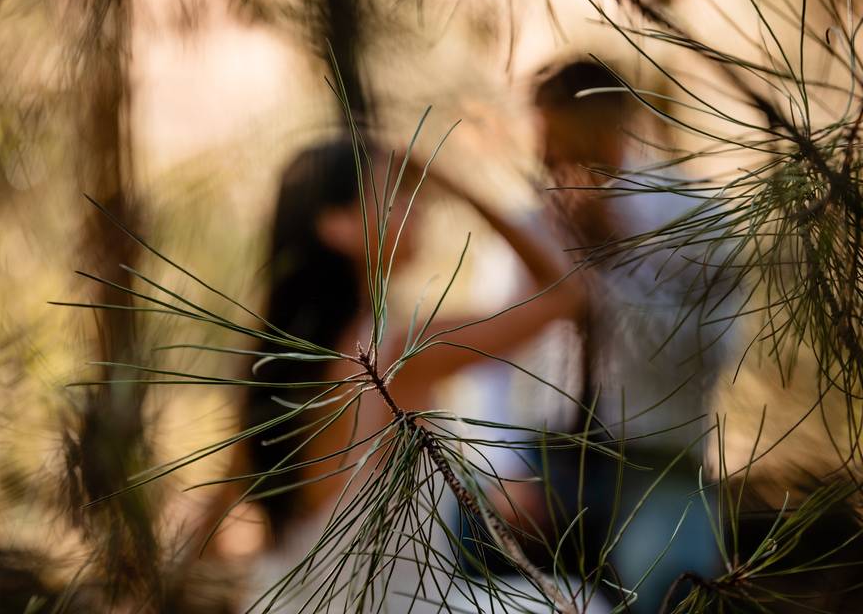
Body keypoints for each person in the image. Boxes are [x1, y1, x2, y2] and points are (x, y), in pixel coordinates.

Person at [187, 137, 587, 610]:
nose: (417, 203)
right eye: (394, 191)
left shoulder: (280, 365)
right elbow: (565, 293)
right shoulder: (394, 353)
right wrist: (454, 180)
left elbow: (210, 526)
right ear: (337, 226)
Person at [524, 59, 736, 612]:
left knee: (668, 581)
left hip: (658, 461)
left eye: (560, 136)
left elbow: (707, 357)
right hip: (546, 456)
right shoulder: (531, 224)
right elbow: (501, 356)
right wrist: (506, 468)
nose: (547, 158)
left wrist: (616, 263)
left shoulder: (695, 217)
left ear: (614, 122)